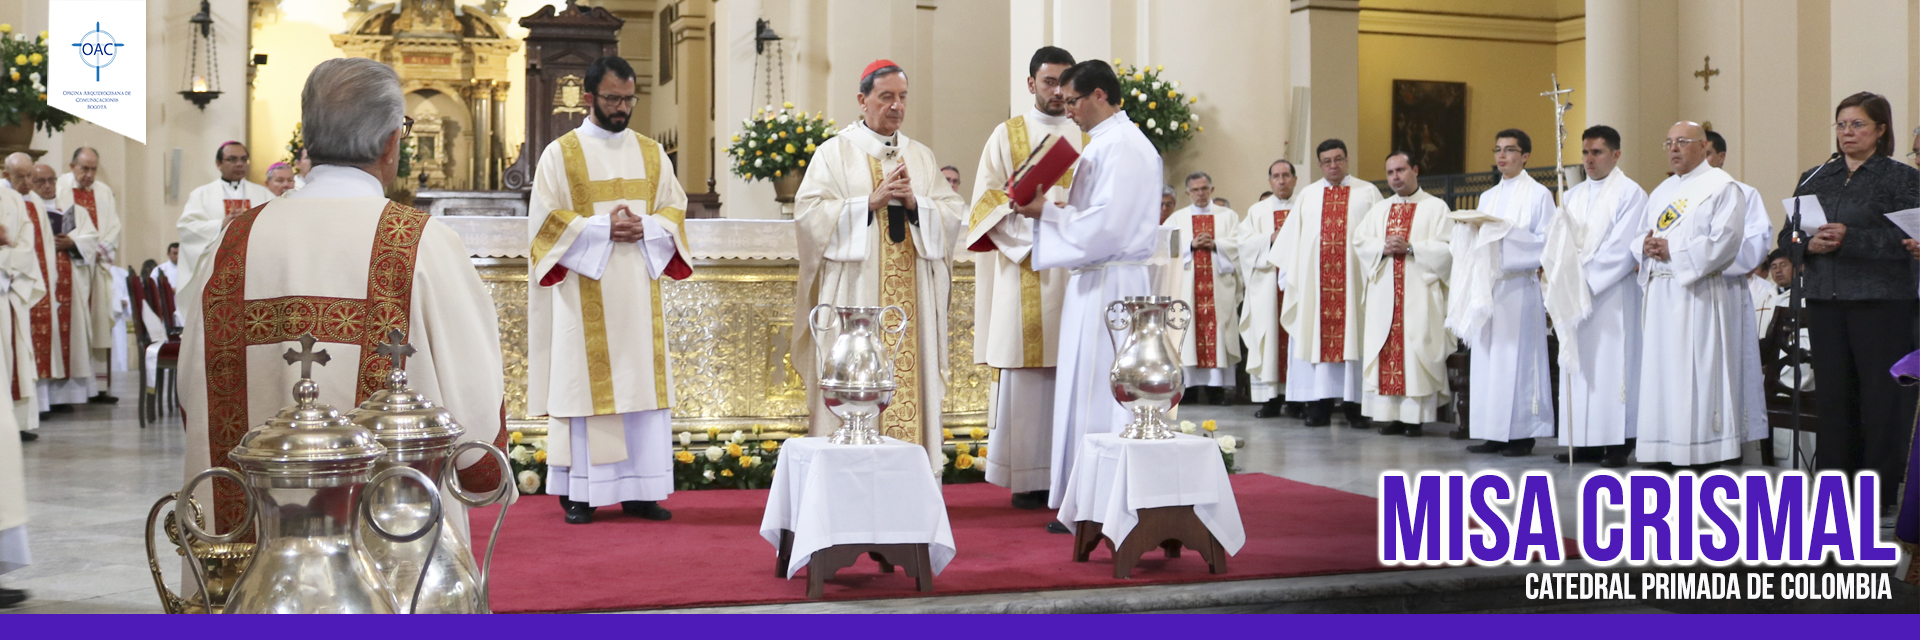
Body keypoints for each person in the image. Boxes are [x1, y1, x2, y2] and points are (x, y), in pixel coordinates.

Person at [179, 58, 506, 537]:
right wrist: (482, 473)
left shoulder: (236, 242)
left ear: (308, 138)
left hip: (248, 541)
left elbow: (193, 384)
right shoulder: (421, 242)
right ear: (394, 141)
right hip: (389, 544)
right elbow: (474, 394)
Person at [528, 56, 690, 524]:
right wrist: (602, 229)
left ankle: (642, 489)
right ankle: (582, 492)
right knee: (587, 387)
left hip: (639, 294)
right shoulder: (561, 154)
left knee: (640, 384)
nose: (622, 107)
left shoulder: (652, 153)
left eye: (629, 99)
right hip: (585, 292)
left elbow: (674, 212)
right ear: (589, 98)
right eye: (613, 99)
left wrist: (648, 228)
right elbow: (543, 225)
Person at [1009, 58, 1160, 527]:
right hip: (1093, 280)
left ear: (1099, 95)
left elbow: (1108, 227)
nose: (1065, 108)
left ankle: (1101, 505)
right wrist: (1051, 209)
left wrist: (1046, 214)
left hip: (1112, 283)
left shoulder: (1127, 147)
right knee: (1082, 390)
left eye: (1073, 100)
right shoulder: (1104, 144)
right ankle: (1081, 500)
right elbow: (1095, 217)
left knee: (1100, 392)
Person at [793, 60, 965, 469]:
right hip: (855, 290)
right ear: (862, 100)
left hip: (911, 303)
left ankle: (910, 478)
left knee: (910, 383)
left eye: (902, 97)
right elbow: (808, 215)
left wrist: (915, 204)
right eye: (886, 97)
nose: (896, 106)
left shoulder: (920, 157)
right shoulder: (834, 153)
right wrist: (867, 204)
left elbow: (952, 210)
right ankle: (842, 475)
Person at [964, 46, 1081, 510]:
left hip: (1076, 267)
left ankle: (1071, 473)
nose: (1057, 91)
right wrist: (1035, 239)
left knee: (1073, 369)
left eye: (1064, 82)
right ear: (1030, 84)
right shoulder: (1006, 134)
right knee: (1029, 376)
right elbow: (984, 204)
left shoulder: (1088, 132)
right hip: (1026, 264)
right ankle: (1030, 477)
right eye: (1048, 81)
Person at [1787, 92, 1920, 491]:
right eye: (1842, 124)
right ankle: (1834, 490)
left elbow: (1906, 242)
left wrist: (1851, 239)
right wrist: (1807, 246)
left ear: (1880, 130)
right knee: (1833, 398)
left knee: (1879, 400)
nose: (1847, 132)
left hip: (1881, 303)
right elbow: (1787, 234)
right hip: (1826, 300)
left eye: (1858, 124)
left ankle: (1876, 492)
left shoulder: (1901, 178)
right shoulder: (1816, 176)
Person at [1630, 121, 1753, 468]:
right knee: (1660, 371)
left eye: (1682, 142)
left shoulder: (1722, 187)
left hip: (1696, 292)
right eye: (1668, 142)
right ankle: (1661, 449)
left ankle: (1701, 452)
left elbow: (1725, 242)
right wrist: (1646, 245)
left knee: (1695, 369)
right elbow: (1639, 234)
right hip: (1660, 293)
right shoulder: (1662, 190)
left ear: (1703, 146)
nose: (1673, 148)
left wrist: (1674, 250)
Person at [1541, 125, 1648, 468]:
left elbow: (1623, 248)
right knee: (1580, 367)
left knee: (1613, 367)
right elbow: (1559, 243)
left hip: (1610, 295)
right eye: (1585, 153)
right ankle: (1582, 440)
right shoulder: (1572, 196)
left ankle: (1618, 443)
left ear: (1616, 155)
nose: (1589, 159)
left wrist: (1582, 281)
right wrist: (1564, 278)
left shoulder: (1631, 194)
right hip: (1576, 295)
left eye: (1597, 152)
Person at [1448, 129, 1553, 457]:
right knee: (1488, 362)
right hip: (1487, 287)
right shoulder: (1487, 197)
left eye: (1510, 150)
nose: (1502, 156)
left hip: (1519, 287)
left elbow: (1546, 242)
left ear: (1526, 156)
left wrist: (1505, 238)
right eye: (1498, 150)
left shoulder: (1539, 195)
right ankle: (1491, 432)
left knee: (1517, 362)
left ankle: (1522, 435)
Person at [1270, 139, 1383, 427]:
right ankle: (1318, 406)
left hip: (1353, 284)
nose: (1333, 166)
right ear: (1320, 164)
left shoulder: (1367, 193)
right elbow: (1291, 241)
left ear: (1347, 159)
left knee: (1353, 343)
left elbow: (1377, 235)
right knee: (1315, 341)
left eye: (1339, 159)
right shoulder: (1308, 195)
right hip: (1315, 286)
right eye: (1327, 161)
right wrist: (1288, 276)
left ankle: (1354, 408)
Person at [1352, 151, 1453, 437]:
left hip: (1419, 292)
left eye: (1401, 170)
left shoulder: (1436, 208)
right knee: (1386, 348)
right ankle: (1391, 416)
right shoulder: (1379, 210)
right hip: (1385, 293)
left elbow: (1449, 249)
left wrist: (1411, 249)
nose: (1395, 177)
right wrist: (1382, 248)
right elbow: (1360, 241)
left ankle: (1415, 418)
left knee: (1415, 348)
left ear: (1415, 170)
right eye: (1390, 172)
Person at [1705, 130, 1775, 459]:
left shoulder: (1743, 193)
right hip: (1680, 300)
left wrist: (1700, 259)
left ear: (1721, 157)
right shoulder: (1672, 197)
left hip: (1725, 293)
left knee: (1726, 370)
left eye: (1706, 153)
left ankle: (1728, 446)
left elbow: (1755, 246)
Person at [23, 164, 100, 416]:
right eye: (40, 181)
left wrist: (72, 242)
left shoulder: (75, 211)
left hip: (70, 280)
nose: (47, 186)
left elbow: (91, 238)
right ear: (31, 183)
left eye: (51, 180)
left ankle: (65, 396)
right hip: (39, 283)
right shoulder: (26, 211)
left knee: (71, 336)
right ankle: (43, 400)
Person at [1166, 172, 1241, 406]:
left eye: (1205, 189)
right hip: (1187, 290)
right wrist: (1190, 245)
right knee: (1187, 336)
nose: (1200, 194)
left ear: (1212, 189)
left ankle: (1216, 390)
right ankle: (1186, 390)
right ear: (1188, 192)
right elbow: (1164, 248)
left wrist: (1217, 244)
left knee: (1217, 332)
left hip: (1218, 288)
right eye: (1195, 190)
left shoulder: (1228, 217)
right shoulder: (1177, 219)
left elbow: (1240, 246)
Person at [55, 148, 123, 405]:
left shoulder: (103, 191)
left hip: (96, 268)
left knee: (99, 324)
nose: (89, 174)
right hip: (72, 267)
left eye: (93, 168)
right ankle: (71, 389)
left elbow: (113, 227)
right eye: (84, 168)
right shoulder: (60, 186)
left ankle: (100, 387)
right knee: (73, 326)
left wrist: (97, 250)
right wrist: (80, 247)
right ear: (72, 165)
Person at [1236, 160, 1299, 419]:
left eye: (1286, 175)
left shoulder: (1304, 206)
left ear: (1295, 179)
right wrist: (1270, 239)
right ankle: (1269, 400)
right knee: (1268, 341)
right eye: (1276, 176)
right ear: (1270, 181)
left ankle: (1298, 400)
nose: (1281, 181)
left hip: (1296, 289)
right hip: (1267, 289)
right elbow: (1244, 244)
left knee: (1297, 338)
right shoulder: (1258, 211)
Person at [175, 141, 272, 291]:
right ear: (218, 163)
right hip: (215, 269)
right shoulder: (202, 194)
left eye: (243, 159)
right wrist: (220, 225)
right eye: (232, 159)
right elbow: (186, 227)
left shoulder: (263, 194)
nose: (239, 164)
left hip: (254, 269)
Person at [0, 155, 43, 442]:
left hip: (8, 286)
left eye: (30, 175)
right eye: (20, 175)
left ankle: (14, 421)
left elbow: (26, 243)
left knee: (13, 351)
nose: (26, 182)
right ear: (7, 172)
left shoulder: (14, 200)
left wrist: (7, 264)